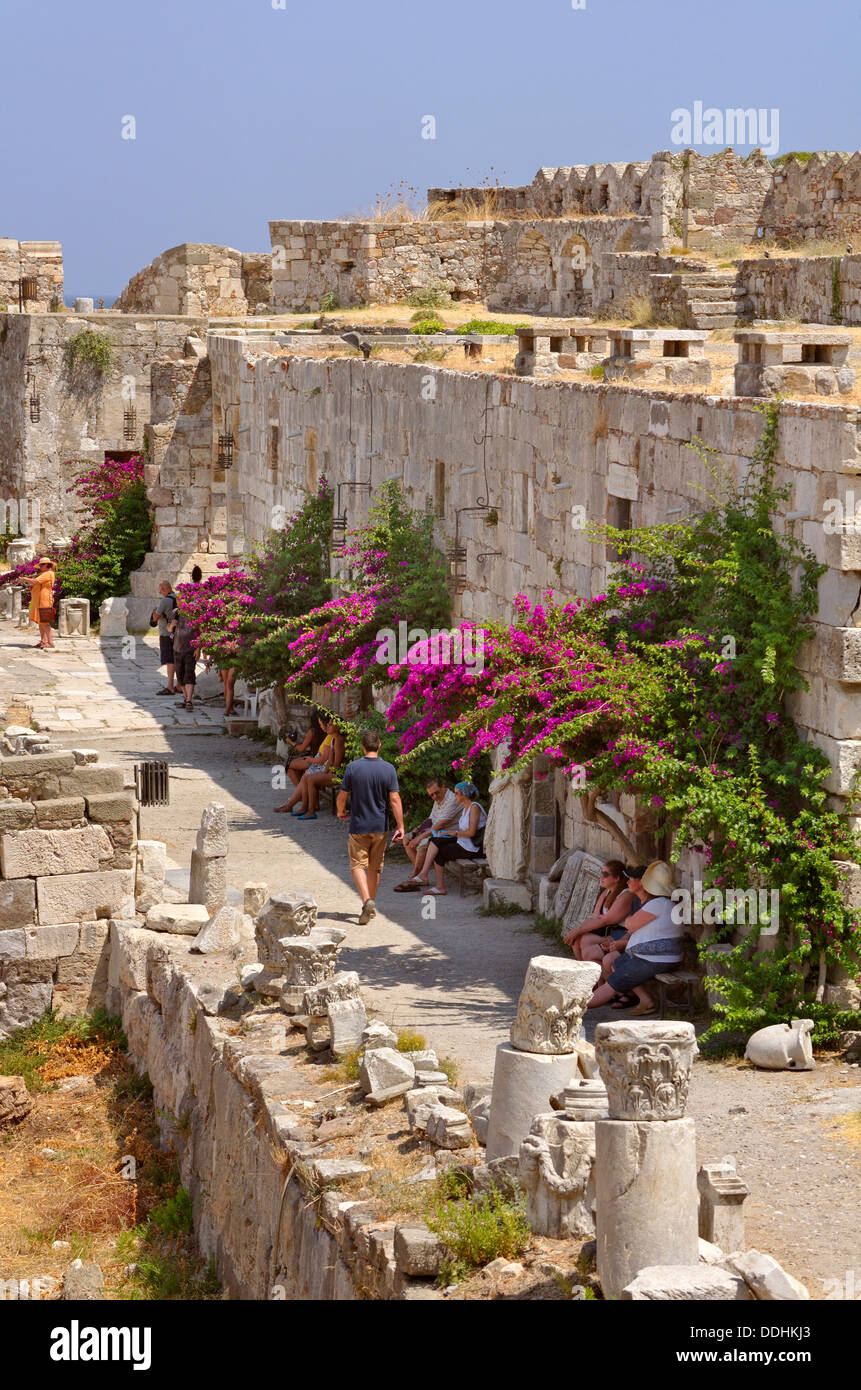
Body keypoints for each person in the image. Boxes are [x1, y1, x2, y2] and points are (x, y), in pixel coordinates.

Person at [587, 860, 683, 1017]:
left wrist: (630, 924)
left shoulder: (658, 904)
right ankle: (647, 1001)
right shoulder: (660, 903)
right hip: (653, 956)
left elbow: (630, 924)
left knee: (614, 981)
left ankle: (580, 1006)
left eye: (632, 879)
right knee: (618, 963)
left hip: (655, 959)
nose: (629, 881)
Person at [336, 729, 404, 924]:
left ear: (362, 747)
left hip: (359, 825)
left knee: (357, 865)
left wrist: (340, 810)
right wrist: (400, 826)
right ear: (379, 746)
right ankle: (371, 906)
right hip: (380, 826)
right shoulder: (389, 769)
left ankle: (367, 901)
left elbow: (342, 796)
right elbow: (395, 799)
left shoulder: (353, 768)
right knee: (375, 867)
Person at [399, 781, 486, 896]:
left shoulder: (474, 807)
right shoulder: (466, 808)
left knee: (439, 850)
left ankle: (435, 883)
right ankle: (426, 877)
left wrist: (453, 833)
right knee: (435, 840)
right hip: (464, 842)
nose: (454, 796)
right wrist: (447, 833)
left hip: (473, 847)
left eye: (456, 793)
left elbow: (471, 833)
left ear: (464, 795)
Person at [563, 859, 638, 962]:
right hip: (606, 931)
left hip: (621, 933)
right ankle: (583, 969)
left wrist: (578, 930)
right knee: (576, 940)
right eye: (601, 873)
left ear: (616, 878)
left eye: (605, 874)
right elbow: (595, 917)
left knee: (588, 949)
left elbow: (606, 920)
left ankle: (594, 972)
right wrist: (578, 930)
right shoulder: (607, 892)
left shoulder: (626, 895)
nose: (601, 877)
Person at [393, 777, 460, 890]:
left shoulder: (452, 799)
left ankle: (415, 876)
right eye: (431, 795)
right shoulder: (439, 800)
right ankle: (421, 876)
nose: (434, 797)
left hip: (449, 834)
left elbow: (440, 825)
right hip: (437, 832)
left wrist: (419, 838)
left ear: (443, 787)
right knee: (407, 839)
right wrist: (416, 831)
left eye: (436, 793)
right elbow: (430, 820)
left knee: (422, 843)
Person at [282, 717, 345, 818]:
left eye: (330, 724)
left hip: (337, 774)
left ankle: (311, 811)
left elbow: (336, 766)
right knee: (307, 776)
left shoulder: (339, 741)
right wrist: (323, 772)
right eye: (328, 723)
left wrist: (324, 773)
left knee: (310, 779)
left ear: (337, 727)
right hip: (330, 771)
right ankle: (304, 808)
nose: (327, 726)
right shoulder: (334, 739)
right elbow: (329, 761)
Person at [273, 712, 325, 811]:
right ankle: (305, 796)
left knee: (289, 766)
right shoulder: (326, 731)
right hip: (318, 757)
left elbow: (301, 748)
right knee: (294, 767)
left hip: (314, 759)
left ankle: (301, 793)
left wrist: (289, 741)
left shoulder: (313, 731)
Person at [168, 599, 197, 711]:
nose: (179, 602)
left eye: (182, 600)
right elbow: (168, 629)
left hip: (190, 649)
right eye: (178, 600)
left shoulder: (194, 613)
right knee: (180, 676)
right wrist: (171, 626)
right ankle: (186, 698)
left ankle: (189, 700)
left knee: (189, 674)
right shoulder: (175, 612)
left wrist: (198, 649)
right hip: (177, 648)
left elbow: (200, 631)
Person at [24, 557, 56, 650]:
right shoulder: (44, 574)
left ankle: (50, 642)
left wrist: (24, 579)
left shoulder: (48, 573)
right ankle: (43, 641)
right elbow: (37, 584)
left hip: (45, 600)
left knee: (45, 622)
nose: (40, 567)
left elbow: (35, 581)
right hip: (40, 601)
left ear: (47, 565)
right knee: (41, 622)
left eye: (42, 565)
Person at [152, 580, 178, 695]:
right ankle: (180, 685)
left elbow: (155, 617)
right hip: (177, 633)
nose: (160, 592)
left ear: (164, 590)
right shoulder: (178, 598)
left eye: (160, 590)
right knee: (177, 658)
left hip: (166, 634)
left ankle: (170, 686)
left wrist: (154, 611)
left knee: (169, 660)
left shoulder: (165, 601)